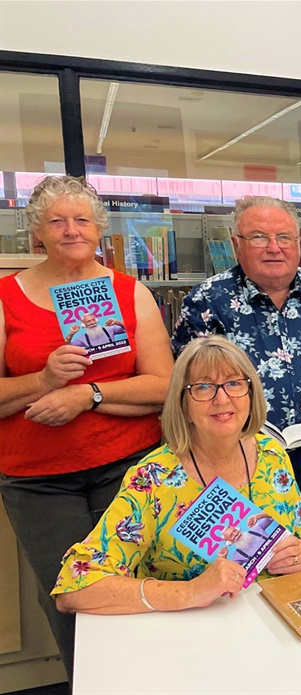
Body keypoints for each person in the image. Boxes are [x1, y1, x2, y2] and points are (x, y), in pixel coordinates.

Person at [0, 175, 172, 678]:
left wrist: (86, 394)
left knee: (140, 582)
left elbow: (163, 386)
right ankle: (94, 685)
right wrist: (44, 378)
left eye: (81, 220)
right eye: (56, 221)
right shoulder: (8, 296)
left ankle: (152, 683)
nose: (70, 230)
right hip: (39, 480)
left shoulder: (128, 292)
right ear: (38, 232)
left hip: (129, 466)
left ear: (99, 229)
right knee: (72, 594)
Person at [52, 336, 301, 614]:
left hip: (269, 623)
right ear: (182, 403)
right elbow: (74, 588)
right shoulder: (154, 478)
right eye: (204, 387)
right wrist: (191, 591)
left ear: (251, 393)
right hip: (186, 637)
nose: (222, 398)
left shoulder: (271, 454)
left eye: (234, 383)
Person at [172, 196, 301, 566]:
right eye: (259, 237)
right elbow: (186, 384)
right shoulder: (206, 302)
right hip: (239, 458)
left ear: (299, 243)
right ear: (236, 244)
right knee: (247, 564)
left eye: (285, 237)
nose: (274, 247)